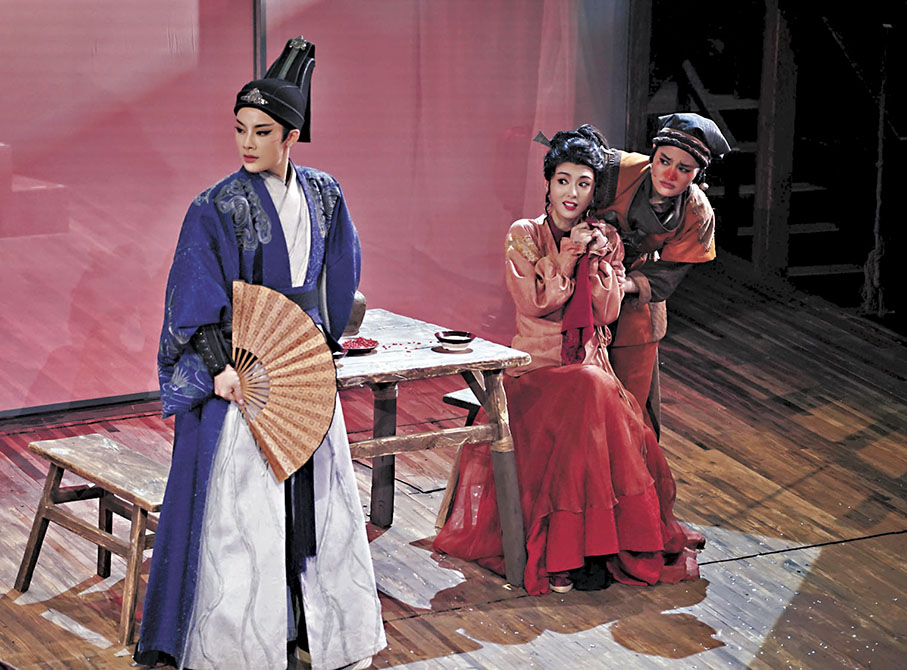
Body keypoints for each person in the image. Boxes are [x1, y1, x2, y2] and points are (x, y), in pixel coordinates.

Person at [135, 37, 386, 670]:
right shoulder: (216, 205)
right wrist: (221, 368)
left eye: (262, 131)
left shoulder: (325, 194)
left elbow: (340, 274)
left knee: (319, 499)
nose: (246, 143)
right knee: (241, 513)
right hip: (240, 378)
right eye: (239, 129)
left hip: (299, 371)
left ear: (291, 136)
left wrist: (316, 343)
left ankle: (317, 631)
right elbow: (194, 291)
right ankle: (238, 647)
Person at [433, 125, 703, 596]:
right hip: (537, 371)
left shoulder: (608, 238)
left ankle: (589, 551)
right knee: (591, 392)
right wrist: (568, 253)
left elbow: (607, 311)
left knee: (593, 394)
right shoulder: (524, 234)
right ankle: (572, 553)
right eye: (563, 181)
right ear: (548, 183)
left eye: (583, 183)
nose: (572, 193)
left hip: (589, 370)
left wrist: (597, 260)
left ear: (595, 191)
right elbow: (536, 300)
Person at [599, 113, 730, 434]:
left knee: (629, 399)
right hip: (582, 282)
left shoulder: (696, 211)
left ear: (698, 174)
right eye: (664, 161)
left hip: (635, 297)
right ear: (653, 155)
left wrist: (627, 285)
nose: (669, 174)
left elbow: (672, 269)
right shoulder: (616, 170)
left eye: (684, 169)